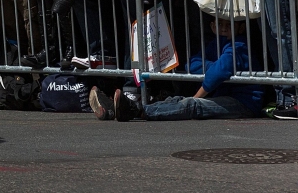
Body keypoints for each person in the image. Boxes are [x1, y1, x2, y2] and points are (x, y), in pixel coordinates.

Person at [90, 18, 264, 122]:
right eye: (220, 23)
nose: (224, 27)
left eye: (230, 24)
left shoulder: (240, 45)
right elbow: (193, 63)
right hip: (226, 96)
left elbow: (219, 72)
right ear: (212, 26)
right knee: (178, 99)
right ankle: (123, 109)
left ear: (241, 27)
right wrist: (214, 68)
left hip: (245, 103)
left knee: (192, 104)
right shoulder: (216, 44)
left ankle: (137, 110)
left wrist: (212, 74)